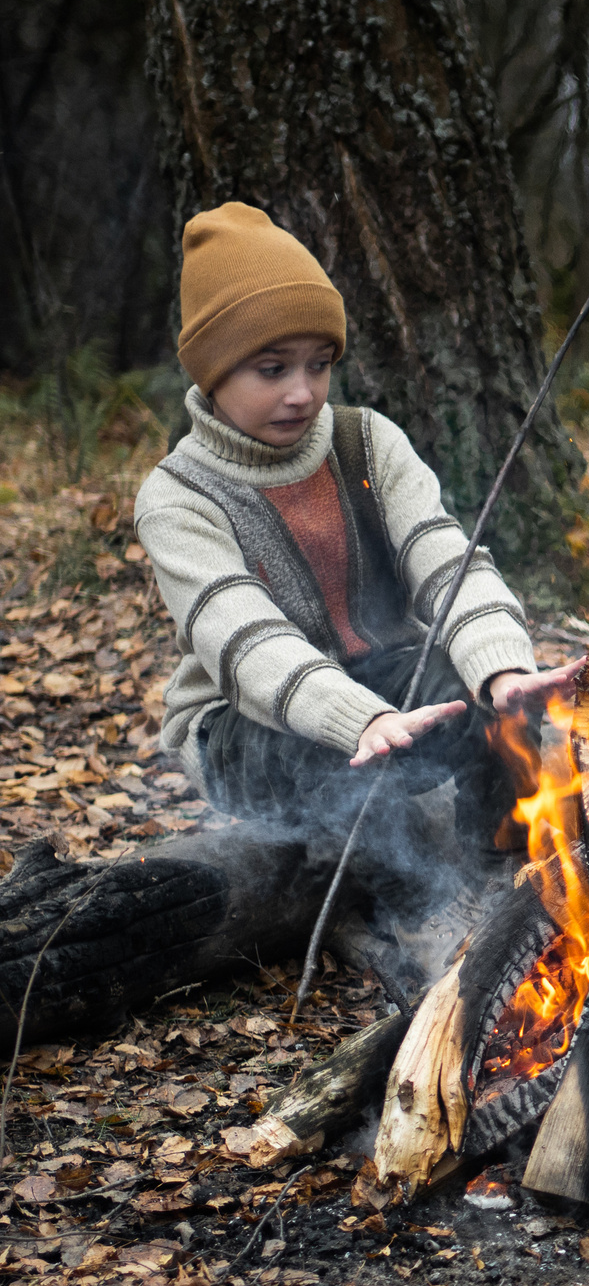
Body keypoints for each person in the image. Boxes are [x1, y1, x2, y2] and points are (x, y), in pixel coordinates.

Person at [137, 202, 565, 894]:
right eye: (272, 369)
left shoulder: (366, 441)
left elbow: (445, 559)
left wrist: (501, 671)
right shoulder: (179, 496)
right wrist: (361, 719)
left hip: (384, 677)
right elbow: (248, 643)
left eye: (318, 363)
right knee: (336, 779)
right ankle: (384, 894)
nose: (302, 393)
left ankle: (500, 876)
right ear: (212, 371)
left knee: (487, 701)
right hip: (246, 725)